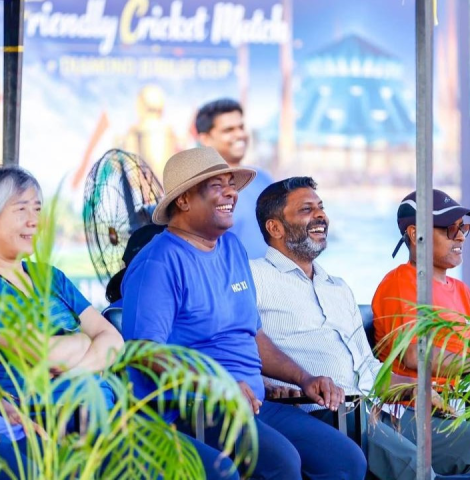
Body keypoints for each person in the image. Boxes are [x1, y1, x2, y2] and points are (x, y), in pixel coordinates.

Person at [121, 148, 366, 480]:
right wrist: (218, 385)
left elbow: (254, 335)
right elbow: (145, 353)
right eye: (217, 186)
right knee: (281, 463)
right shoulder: (158, 263)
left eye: (231, 184)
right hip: (194, 409)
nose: (231, 193)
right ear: (184, 200)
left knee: (345, 460)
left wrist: (304, 378)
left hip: (253, 403)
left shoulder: (232, 248)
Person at [249, 178, 470, 480]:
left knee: (466, 441)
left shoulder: (338, 287)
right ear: (275, 228)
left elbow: (368, 368)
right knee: (415, 467)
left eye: (321, 207)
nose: (320, 215)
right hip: (322, 413)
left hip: (374, 410)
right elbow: (239, 342)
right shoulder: (254, 277)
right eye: (306, 209)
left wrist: (417, 388)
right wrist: (266, 382)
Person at [0, 167, 127, 477]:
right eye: (21, 210)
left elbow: (113, 340)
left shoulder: (52, 277)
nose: (34, 221)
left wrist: (74, 370)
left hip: (104, 415)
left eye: (37, 210)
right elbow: (43, 352)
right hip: (44, 421)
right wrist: (84, 341)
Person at [373, 189, 470, 386]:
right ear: (416, 235)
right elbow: (414, 354)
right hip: (418, 401)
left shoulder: (462, 291)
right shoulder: (399, 282)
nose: (461, 237)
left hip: (463, 397)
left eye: (462, 227)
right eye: (450, 228)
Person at [196, 98, 274, 259]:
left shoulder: (263, 180)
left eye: (241, 127)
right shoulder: (197, 192)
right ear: (205, 139)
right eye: (228, 130)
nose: (240, 134)